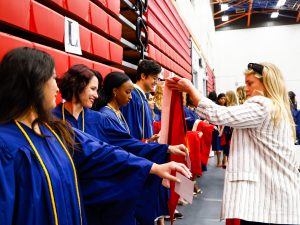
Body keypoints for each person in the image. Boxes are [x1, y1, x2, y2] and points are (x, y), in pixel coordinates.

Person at [0, 47, 191, 225]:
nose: (57, 89)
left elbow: (104, 152)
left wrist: (153, 166)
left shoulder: (56, 130)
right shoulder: (5, 146)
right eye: (52, 79)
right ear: (33, 82)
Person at [166, 62, 300, 225]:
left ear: (266, 83)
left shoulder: (262, 106)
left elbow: (217, 114)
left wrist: (191, 89)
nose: (246, 88)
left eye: (250, 83)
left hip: (264, 202)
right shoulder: (278, 108)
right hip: (278, 196)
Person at [53, 68, 188, 225]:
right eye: (93, 89)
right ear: (77, 85)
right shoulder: (51, 120)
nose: (97, 95)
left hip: (95, 196)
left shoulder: (99, 120)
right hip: (64, 193)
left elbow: (127, 144)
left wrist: (166, 149)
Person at [121, 59, 161, 141]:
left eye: (157, 79)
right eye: (154, 78)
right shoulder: (132, 96)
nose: (156, 82)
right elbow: (130, 128)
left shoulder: (142, 97)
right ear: (143, 76)